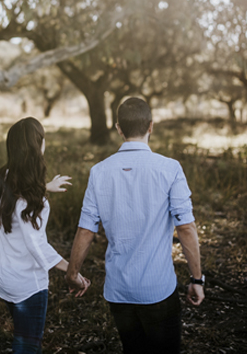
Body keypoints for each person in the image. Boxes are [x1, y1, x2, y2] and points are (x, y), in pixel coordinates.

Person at [65, 97, 204, 354]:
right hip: (158, 290)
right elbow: (185, 227)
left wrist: (72, 273)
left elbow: (86, 230)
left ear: (118, 128)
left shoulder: (99, 171)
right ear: (151, 126)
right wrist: (197, 278)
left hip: (119, 291)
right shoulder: (170, 169)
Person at [0, 117, 90, 354]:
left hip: (1, 272)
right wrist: (72, 271)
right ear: (39, 146)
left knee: (20, 332)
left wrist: (45, 186)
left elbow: (20, 195)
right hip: (25, 283)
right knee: (27, 347)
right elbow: (37, 245)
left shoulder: (3, 176)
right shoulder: (34, 202)